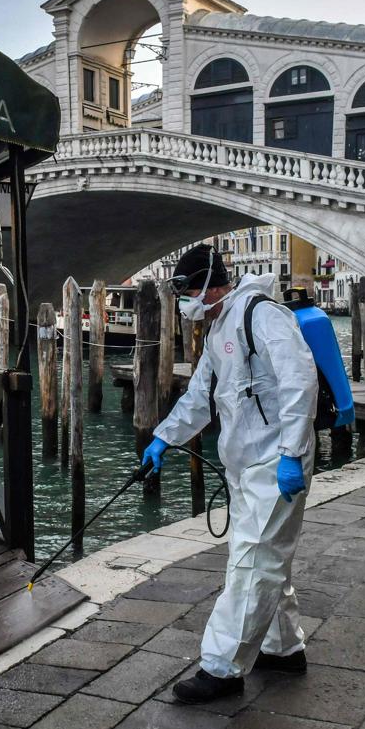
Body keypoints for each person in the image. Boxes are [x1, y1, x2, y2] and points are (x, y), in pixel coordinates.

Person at [143, 243, 318, 703]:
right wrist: (164, 437)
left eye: (184, 288)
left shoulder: (262, 314)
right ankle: (282, 648)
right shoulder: (221, 325)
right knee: (263, 557)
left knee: (253, 561)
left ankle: (221, 668)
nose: (182, 299)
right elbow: (201, 394)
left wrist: (292, 453)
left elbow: (300, 380)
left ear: (207, 283)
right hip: (244, 466)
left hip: (277, 460)